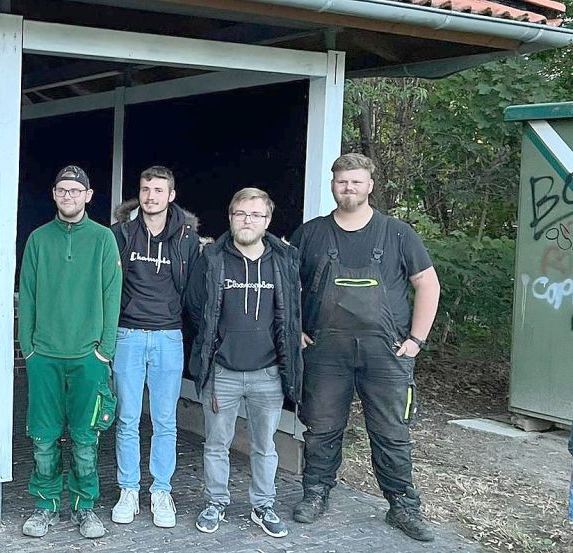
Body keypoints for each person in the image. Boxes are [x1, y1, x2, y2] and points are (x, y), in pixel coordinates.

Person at [290, 153, 441, 542]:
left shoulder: (397, 233)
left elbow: (428, 283)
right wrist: (295, 330)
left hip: (386, 353)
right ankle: (316, 493)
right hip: (326, 351)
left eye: (356, 181)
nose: (349, 188)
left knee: (392, 432)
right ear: (332, 185)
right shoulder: (311, 234)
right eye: (342, 181)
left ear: (371, 185)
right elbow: (286, 286)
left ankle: (403, 506)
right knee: (321, 428)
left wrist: (416, 341)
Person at [185, 187, 302, 538]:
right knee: (216, 444)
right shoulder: (212, 259)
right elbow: (195, 307)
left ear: (267, 220)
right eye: (240, 214)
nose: (247, 220)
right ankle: (215, 502)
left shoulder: (283, 260)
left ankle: (262, 506)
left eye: (255, 215)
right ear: (230, 217)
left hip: (268, 372)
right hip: (223, 372)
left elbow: (294, 309)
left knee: (265, 445)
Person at [19, 165, 122, 540]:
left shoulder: (103, 238)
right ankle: (45, 506)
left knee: (85, 438)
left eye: (75, 191)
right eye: (62, 190)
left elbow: (113, 296)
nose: (69, 196)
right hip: (44, 355)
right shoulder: (38, 239)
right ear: (54, 194)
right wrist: (27, 347)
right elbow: (26, 294)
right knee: (43, 437)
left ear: (88, 196)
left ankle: (85, 507)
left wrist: (104, 350)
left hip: (88, 357)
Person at [108, 166, 199, 528]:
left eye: (159, 190)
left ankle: (161, 490)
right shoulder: (120, 233)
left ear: (171, 195)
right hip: (128, 334)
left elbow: (194, 289)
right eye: (146, 189)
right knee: (127, 419)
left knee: (165, 420)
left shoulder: (188, 237)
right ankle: (128, 489)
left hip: (168, 336)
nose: (151, 196)